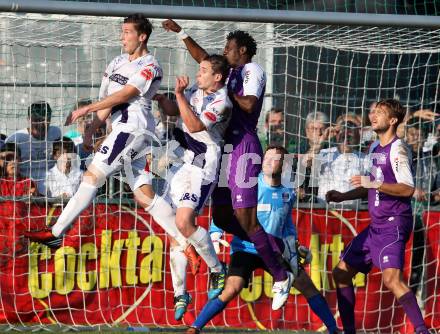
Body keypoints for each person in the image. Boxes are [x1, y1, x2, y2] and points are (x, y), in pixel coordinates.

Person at [162, 19, 294, 310]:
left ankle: (281, 274)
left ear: (242, 51)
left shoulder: (251, 70)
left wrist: (221, 88)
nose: (224, 51)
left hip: (244, 147)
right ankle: (278, 247)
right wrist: (182, 33)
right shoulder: (226, 72)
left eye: (229, 48)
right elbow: (206, 61)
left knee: (246, 219)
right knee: (221, 218)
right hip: (223, 151)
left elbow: (247, 105)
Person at [186, 146, 339, 334]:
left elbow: (287, 225)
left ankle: (334, 329)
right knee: (232, 288)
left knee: (306, 284)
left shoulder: (288, 193)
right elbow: (227, 211)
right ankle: (195, 327)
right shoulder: (249, 186)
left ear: (284, 165)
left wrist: (295, 245)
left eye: (274, 159)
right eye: (266, 157)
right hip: (246, 248)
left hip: (274, 249)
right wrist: (215, 232)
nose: (268, 161)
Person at [326, 99, 429, 334]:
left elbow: (407, 188)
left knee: (392, 280)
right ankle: (349, 331)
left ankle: (422, 330)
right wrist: (344, 196)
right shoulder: (374, 148)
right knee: (341, 273)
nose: (373, 116)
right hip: (376, 226)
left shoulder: (398, 148)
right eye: (373, 112)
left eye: (380, 113)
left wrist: (373, 183)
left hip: (394, 223)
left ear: (392, 121)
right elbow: (371, 185)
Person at [155, 54, 232, 319]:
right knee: (176, 231)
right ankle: (180, 293)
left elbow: (195, 124)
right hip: (183, 162)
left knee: (185, 221)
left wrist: (178, 95)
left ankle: (216, 269)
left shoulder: (222, 102)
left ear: (217, 77)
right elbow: (174, 110)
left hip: (204, 164)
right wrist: (160, 98)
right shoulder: (195, 92)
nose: (198, 74)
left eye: (203, 71)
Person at [6, 101, 61, 194]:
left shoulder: (55, 133)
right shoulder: (15, 139)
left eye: (44, 120)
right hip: (26, 186)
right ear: (28, 119)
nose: (40, 124)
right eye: (36, 120)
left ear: (50, 120)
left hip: (55, 185)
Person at [317, 114, 364, 206]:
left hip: (354, 214)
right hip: (323, 212)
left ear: (358, 134)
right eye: (343, 126)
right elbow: (305, 163)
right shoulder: (324, 153)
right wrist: (322, 140)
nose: (346, 131)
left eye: (351, 126)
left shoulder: (365, 158)